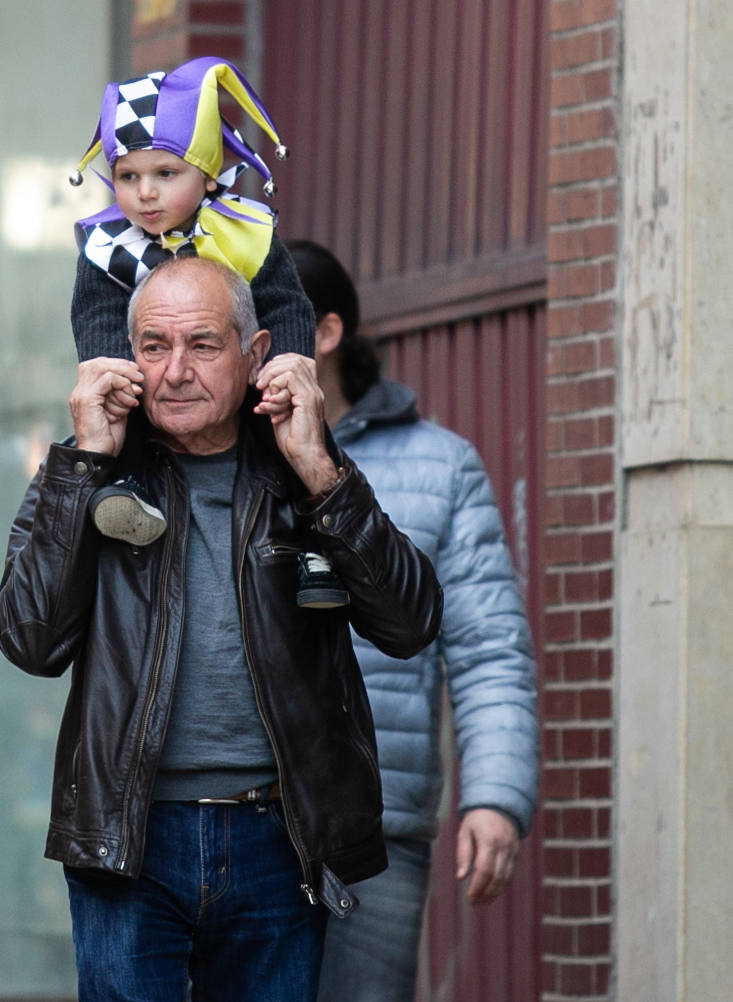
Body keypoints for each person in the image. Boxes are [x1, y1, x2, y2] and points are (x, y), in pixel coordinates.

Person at [0, 256, 443, 1002]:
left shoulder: (301, 472)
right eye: (151, 347)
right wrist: (86, 463)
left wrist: (321, 471)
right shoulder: (89, 472)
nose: (174, 372)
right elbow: (28, 641)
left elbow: (408, 621)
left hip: (278, 838)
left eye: (201, 345)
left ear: (254, 353)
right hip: (129, 838)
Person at [286, 240, 539, 1002]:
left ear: (325, 335)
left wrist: (495, 796)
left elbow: (488, 647)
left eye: (268, 322)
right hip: (233, 822)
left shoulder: (440, 464)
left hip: (377, 829)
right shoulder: (220, 455)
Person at [66, 57, 346, 607]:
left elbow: (286, 304)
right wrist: (109, 370)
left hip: (247, 390)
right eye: (128, 177)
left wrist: (290, 367)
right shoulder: (106, 247)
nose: (145, 193)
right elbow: (96, 316)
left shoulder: (245, 232)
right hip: (147, 395)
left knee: (296, 434)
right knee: (122, 428)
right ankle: (128, 495)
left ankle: (318, 548)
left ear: (209, 172)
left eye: (165, 174)